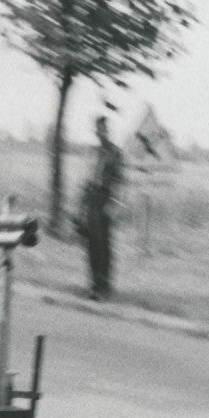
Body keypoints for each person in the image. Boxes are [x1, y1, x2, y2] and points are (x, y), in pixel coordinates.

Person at [77, 115, 125, 301]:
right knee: (91, 244)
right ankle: (93, 283)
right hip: (90, 198)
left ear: (107, 130)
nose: (100, 132)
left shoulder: (115, 153)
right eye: (98, 129)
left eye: (103, 128)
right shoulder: (93, 152)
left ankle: (104, 285)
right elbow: (86, 180)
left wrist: (114, 205)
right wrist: (80, 207)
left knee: (103, 244)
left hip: (105, 199)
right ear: (95, 131)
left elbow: (120, 182)